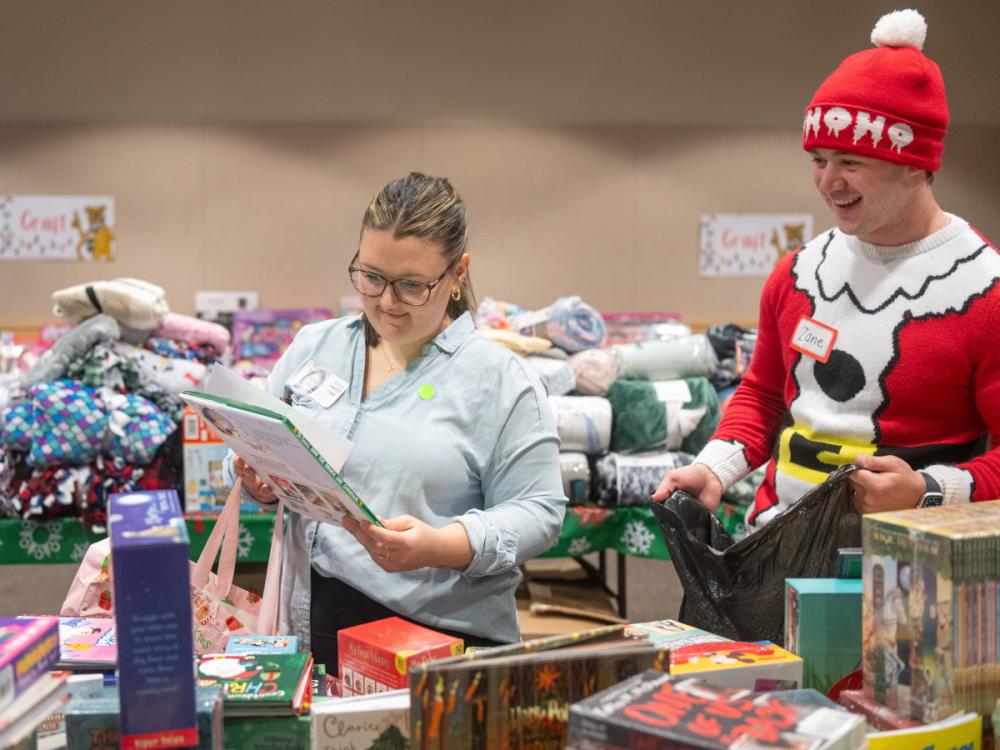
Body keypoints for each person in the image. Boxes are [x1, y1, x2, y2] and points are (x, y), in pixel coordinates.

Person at [654, 9, 1000, 530]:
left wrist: (929, 489)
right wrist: (716, 468)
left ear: (914, 162)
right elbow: (765, 393)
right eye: (818, 159)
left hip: (908, 570)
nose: (827, 181)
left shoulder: (985, 292)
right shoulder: (797, 274)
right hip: (773, 547)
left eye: (850, 161)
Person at [226, 172, 566, 667]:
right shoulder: (316, 346)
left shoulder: (501, 381)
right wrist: (254, 474)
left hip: (440, 639)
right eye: (370, 277)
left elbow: (540, 511)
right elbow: (253, 438)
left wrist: (443, 545)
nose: (385, 301)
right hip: (312, 625)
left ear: (458, 273)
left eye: (411, 286)